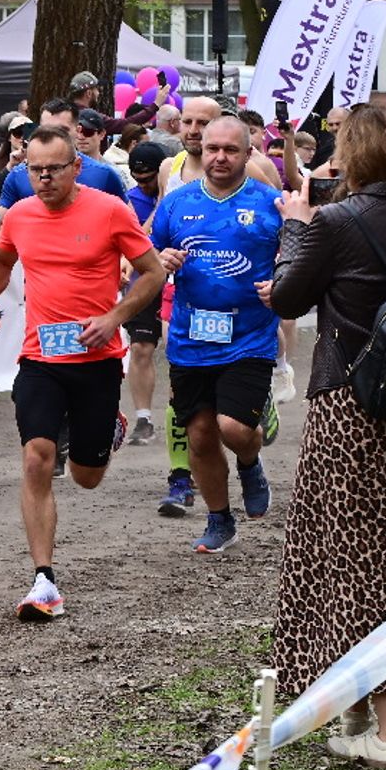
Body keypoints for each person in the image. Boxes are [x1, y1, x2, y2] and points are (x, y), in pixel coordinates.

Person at [268, 104, 386, 769]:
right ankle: (355, 705)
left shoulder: (336, 222)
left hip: (351, 402)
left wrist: (294, 228)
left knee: (352, 551)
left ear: (356, 152)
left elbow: (286, 298)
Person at [0, 126, 165, 621]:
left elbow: (152, 271)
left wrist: (114, 318)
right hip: (40, 360)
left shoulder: (109, 210)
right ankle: (44, 578)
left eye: (53, 169)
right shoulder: (19, 215)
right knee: (37, 458)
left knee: (86, 476)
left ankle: (109, 429)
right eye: (33, 170)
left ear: (76, 167)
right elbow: (0, 261)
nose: (43, 178)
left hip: (97, 360)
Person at [150, 117, 282, 546]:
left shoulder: (269, 203)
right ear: (200, 150)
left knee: (234, 428)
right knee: (201, 434)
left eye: (230, 149)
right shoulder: (176, 202)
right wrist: (162, 259)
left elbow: (299, 255)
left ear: (247, 154)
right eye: (212, 149)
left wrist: (283, 281)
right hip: (191, 338)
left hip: (250, 336)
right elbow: (149, 253)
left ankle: (249, 460)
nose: (220, 157)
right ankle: (220, 519)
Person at [0, 101, 127, 208]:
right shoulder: (18, 175)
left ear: (78, 130)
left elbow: (130, 222)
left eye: (62, 130)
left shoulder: (103, 174)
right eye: (47, 129)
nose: (54, 136)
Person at [123, 141, 168, 445]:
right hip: (144, 283)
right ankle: (144, 419)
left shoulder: (182, 193)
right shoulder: (129, 200)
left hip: (182, 282)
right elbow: (137, 238)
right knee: (141, 348)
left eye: (150, 178)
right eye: (138, 180)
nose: (144, 185)